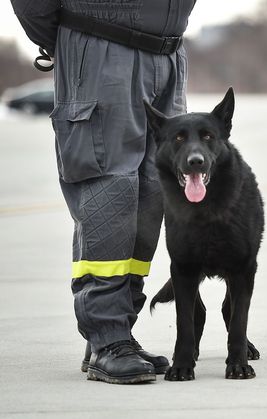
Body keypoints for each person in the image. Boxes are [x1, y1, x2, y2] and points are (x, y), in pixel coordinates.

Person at [11, 0, 196, 383]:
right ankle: (106, 339)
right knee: (109, 191)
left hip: (168, 54)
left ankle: (118, 330)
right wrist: (75, 40)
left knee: (152, 194)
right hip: (101, 49)